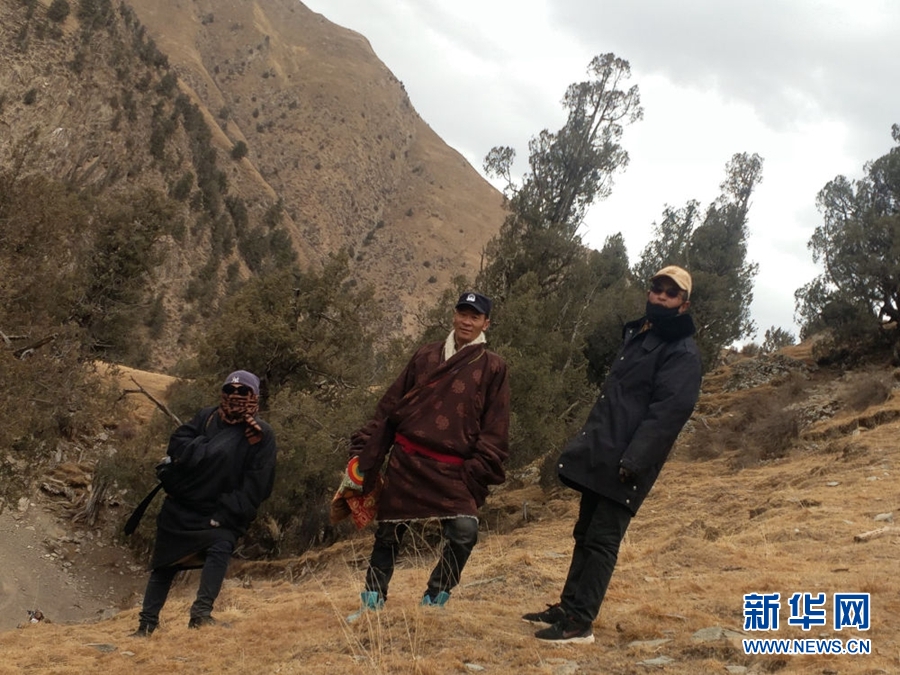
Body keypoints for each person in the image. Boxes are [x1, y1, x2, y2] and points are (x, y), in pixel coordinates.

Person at [524, 265, 702, 644]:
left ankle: (579, 624)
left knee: (603, 539)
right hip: (605, 452)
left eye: (671, 293)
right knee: (585, 532)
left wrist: (634, 460)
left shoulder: (682, 353)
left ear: (683, 304)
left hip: (629, 462)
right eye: (657, 288)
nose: (661, 296)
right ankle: (568, 606)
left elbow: (668, 414)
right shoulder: (641, 335)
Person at [348, 291, 510, 618]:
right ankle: (372, 602)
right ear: (453, 315)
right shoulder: (426, 355)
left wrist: (476, 468)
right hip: (407, 460)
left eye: (475, 317)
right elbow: (391, 404)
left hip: (454, 468)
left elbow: (496, 424)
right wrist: (366, 447)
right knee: (388, 533)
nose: (467, 321)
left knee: (464, 532)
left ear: (486, 323)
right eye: (462, 313)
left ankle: (435, 598)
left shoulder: (493, 367)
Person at [131, 370, 277, 636]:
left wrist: (226, 513)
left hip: (218, 512)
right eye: (230, 390)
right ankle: (146, 625)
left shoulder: (261, 435)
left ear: (254, 395)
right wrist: (208, 450)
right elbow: (177, 443)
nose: (235, 395)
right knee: (163, 566)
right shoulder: (206, 417)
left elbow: (258, 483)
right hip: (180, 506)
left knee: (220, 547)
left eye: (243, 391)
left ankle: (201, 614)